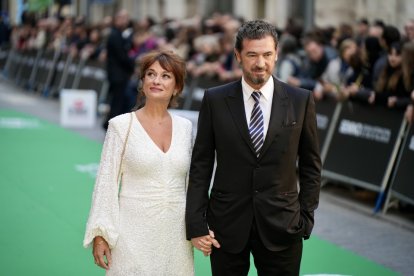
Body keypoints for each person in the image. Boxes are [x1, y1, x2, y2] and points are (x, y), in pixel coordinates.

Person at [186, 20, 322, 276]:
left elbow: (311, 165)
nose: (261, 63)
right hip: (226, 225)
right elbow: (201, 164)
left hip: (283, 226)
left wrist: (305, 217)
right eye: (252, 55)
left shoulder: (300, 100)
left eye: (267, 54)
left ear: (277, 54)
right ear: (237, 55)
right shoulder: (215, 99)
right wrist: (196, 223)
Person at [84, 50, 199, 275]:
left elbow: (192, 184)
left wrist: (199, 227)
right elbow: (106, 183)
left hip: (176, 236)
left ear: (177, 87)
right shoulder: (121, 126)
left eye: (166, 76)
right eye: (151, 74)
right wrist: (101, 234)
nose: (156, 80)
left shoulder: (185, 128)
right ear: (142, 81)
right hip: (132, 234)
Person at [102, 9, 135, 130]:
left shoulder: (120, 34)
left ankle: (109, 123)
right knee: (117, 101)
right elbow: (122, 56)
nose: (126, 21)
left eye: (127, 18)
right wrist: (132, 66)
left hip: (118, 74)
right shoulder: (115, 35)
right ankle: (111, 125)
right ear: (117, 19)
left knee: (117, 101)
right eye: (123, 18)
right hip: (118, 74)